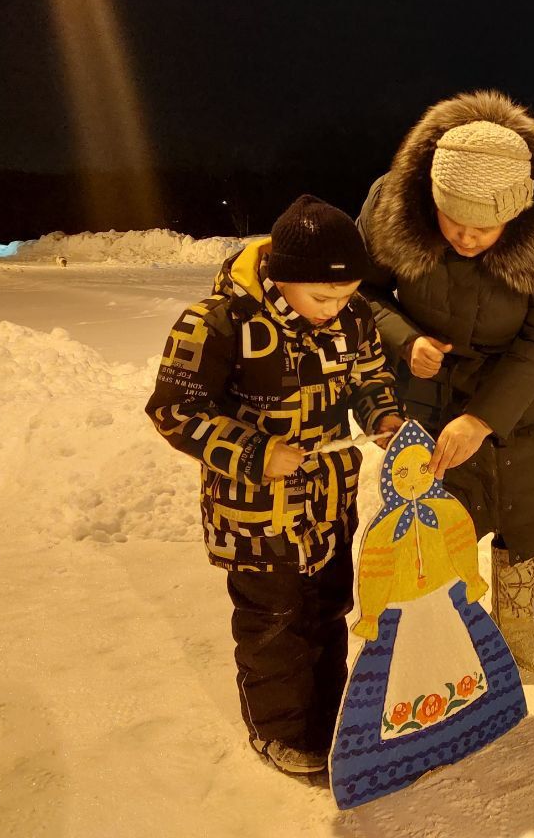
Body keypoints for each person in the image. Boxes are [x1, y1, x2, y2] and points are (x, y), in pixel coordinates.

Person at [145, 195, 403, 776]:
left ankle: (331, 718)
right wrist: (257, 452)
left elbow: (371, 377)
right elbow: (175, 410)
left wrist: (382, 416)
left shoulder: (354, 315)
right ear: (282, 277)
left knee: (329, 611)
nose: (334, 308)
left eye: (344, 294)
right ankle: (280, 730)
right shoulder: (216, 322)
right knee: (274, 625)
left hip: (331, 504)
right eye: (322, 296)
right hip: (255, 516)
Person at [357, 90, 534, 674]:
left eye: (485, 228)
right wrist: (406, 338)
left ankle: (517, 623)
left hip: (530, 390)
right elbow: (361, 293)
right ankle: (445, 628)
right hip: (430, 386)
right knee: (435, 514)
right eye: (452, 221)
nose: (465, 238)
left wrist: (484, 418)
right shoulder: (393, 203)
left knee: (523, 509)